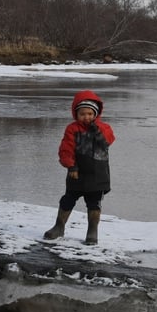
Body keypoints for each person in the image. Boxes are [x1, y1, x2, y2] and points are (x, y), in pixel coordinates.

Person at [44, 89, 115, 245]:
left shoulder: (104, 127)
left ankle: (92, 231)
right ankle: (59, 226)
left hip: (98, 173)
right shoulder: (72, 129)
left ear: (95, 114)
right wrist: (71, 166)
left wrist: (98, 130)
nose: (86, 117)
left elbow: (109, 141)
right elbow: (65, 150)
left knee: (94, 203)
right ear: (76, 114)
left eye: (90, 114)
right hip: (77, 173)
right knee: (67, 200)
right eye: (82, 114)